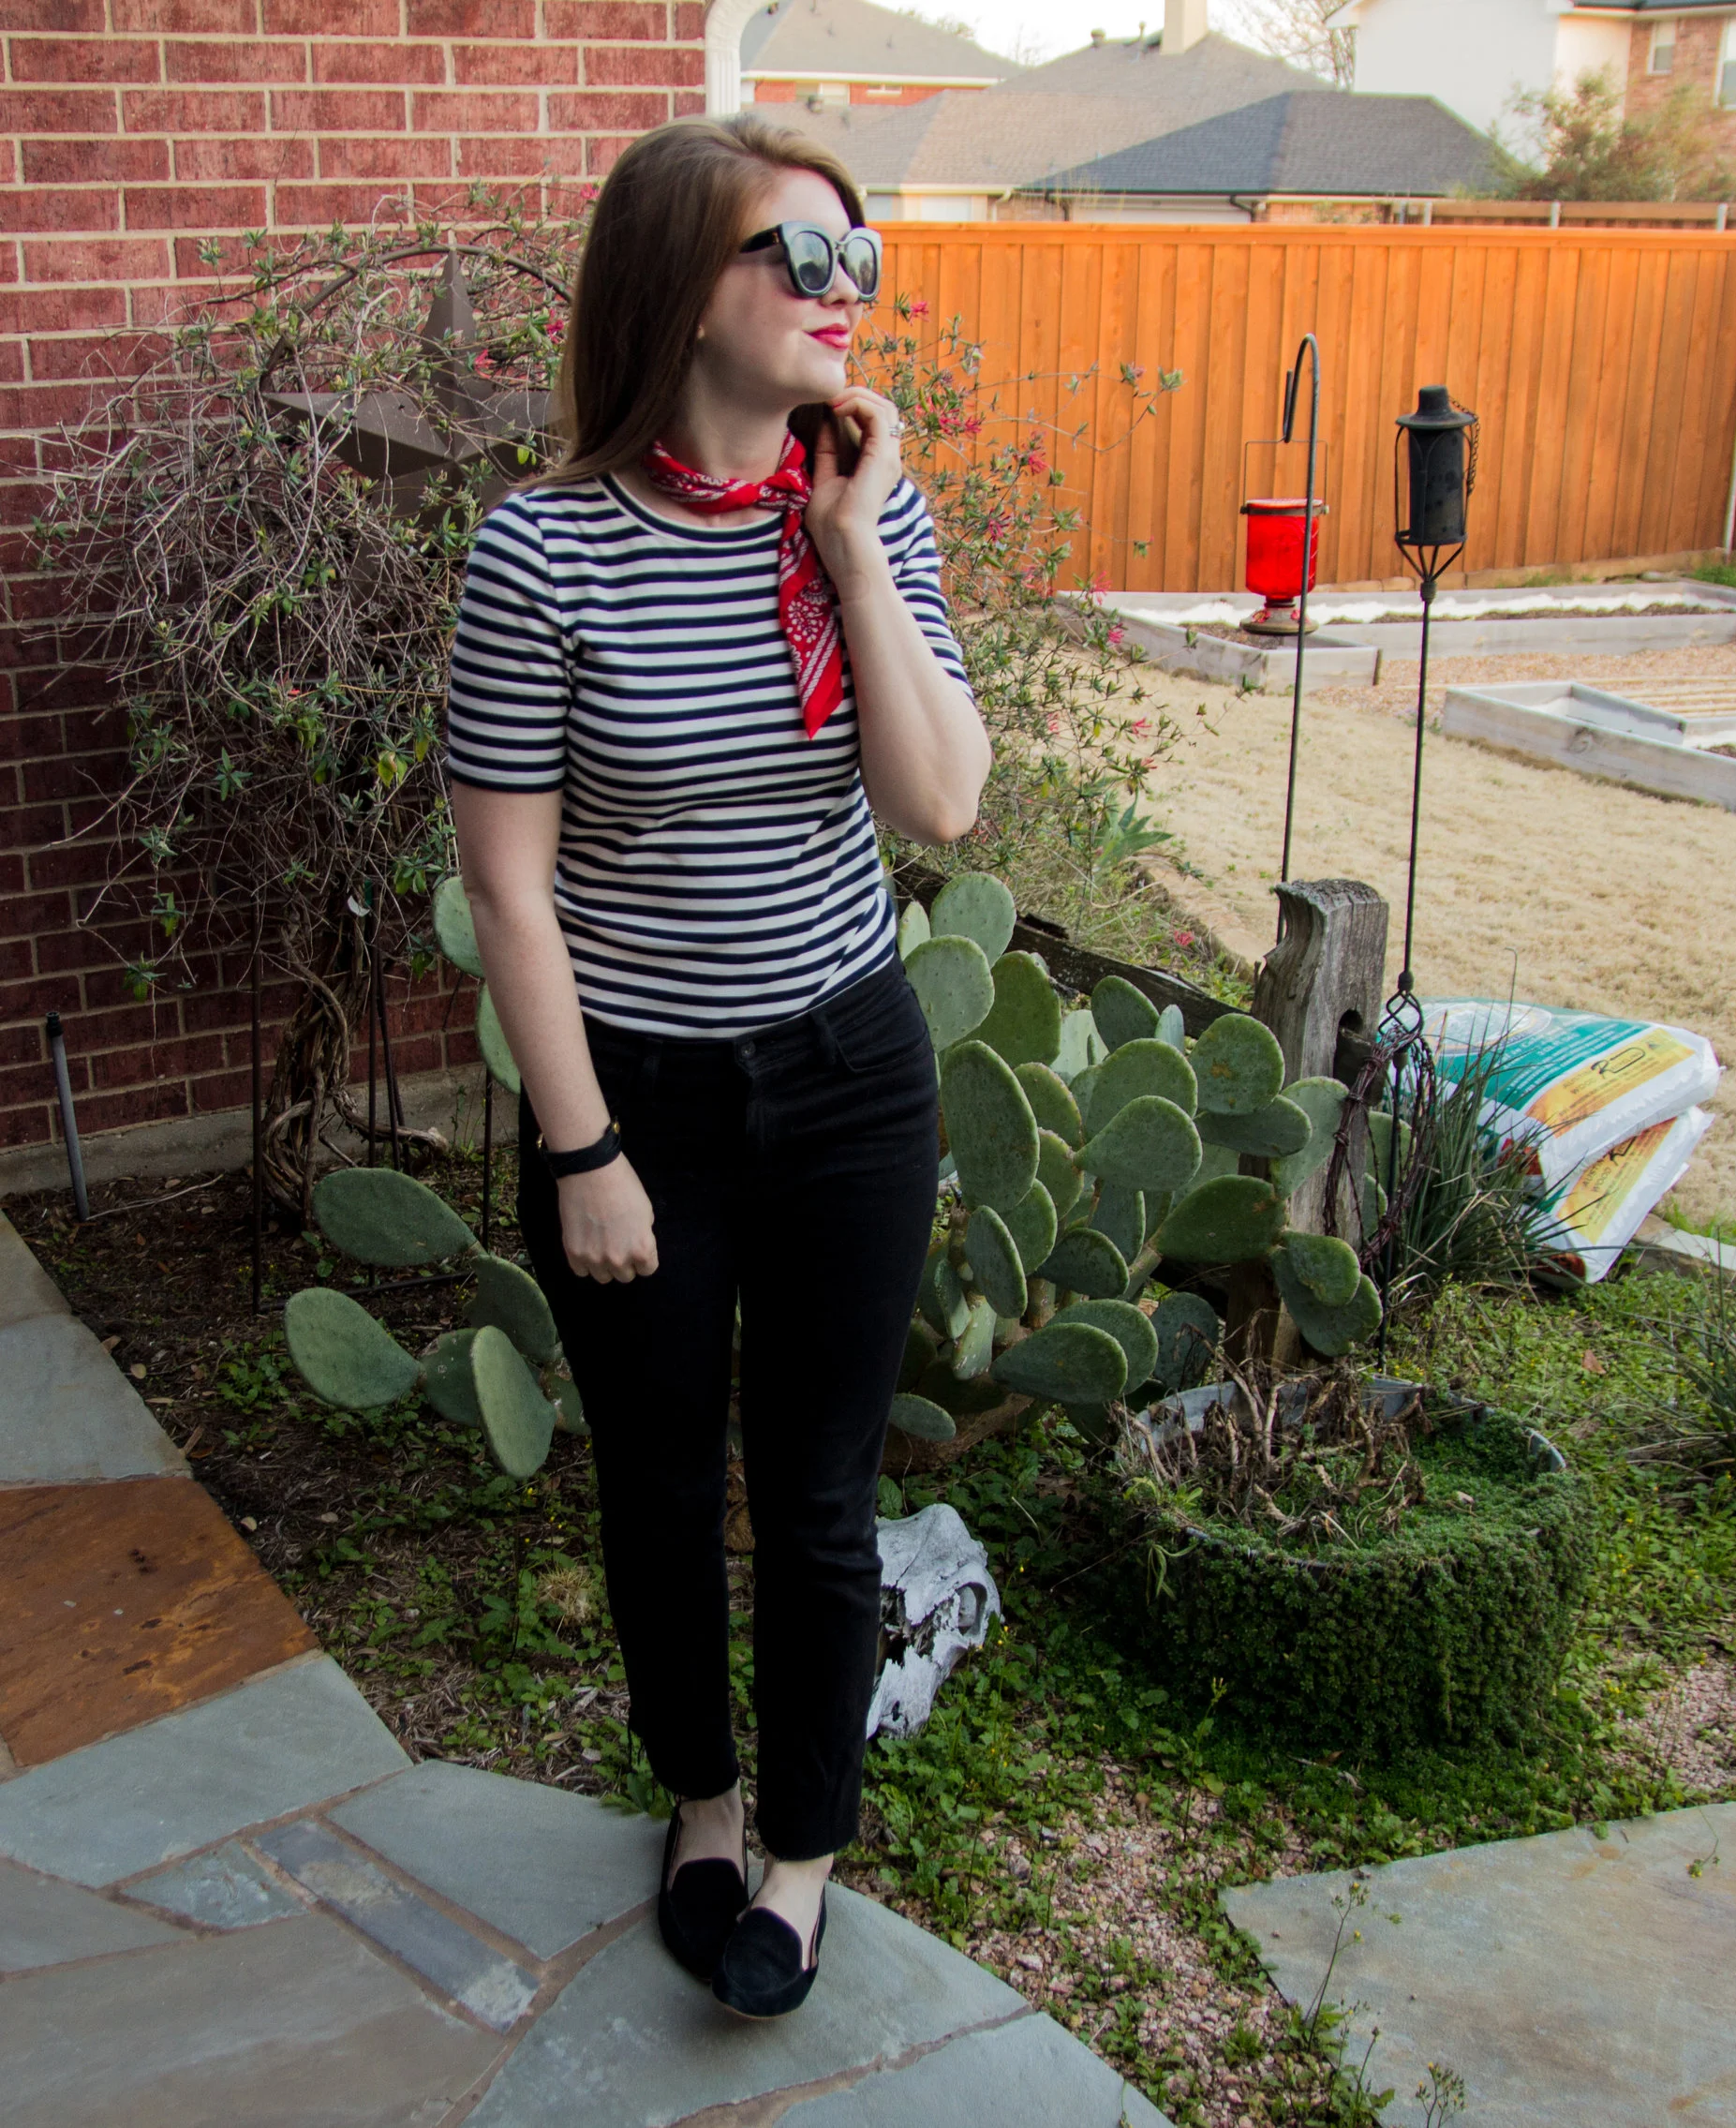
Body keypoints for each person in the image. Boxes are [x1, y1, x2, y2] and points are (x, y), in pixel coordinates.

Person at [443, 112, 989, 2020]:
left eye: (862, 258)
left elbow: (939, 803)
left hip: (849, 1076)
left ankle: (806, 1858)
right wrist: (582, 1148)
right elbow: (509, 889)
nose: (848, 294)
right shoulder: (540, 552)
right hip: (641, 1102)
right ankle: (701, 1799)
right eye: (801, 257)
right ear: (684, 287)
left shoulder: (866, 510)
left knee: (819, 1494)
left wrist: (850, 547)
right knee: (664, 1487)